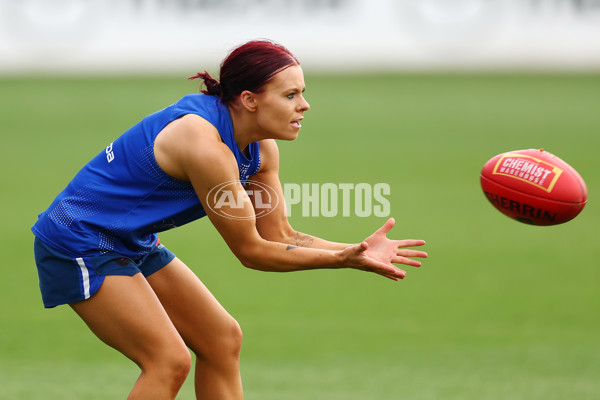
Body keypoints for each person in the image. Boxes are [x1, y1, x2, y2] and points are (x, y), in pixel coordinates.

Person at [32, 39, 428, 400]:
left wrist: (355, 250)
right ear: (250, 100)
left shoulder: (260, 149)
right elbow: (252, 251)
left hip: (129, 239)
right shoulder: (205, 146)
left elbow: (279, 234)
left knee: (221, 339)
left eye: (302, 94)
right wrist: (341, 260)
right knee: (169, 361)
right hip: (78, 240)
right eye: (291, 95)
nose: (304, 105)